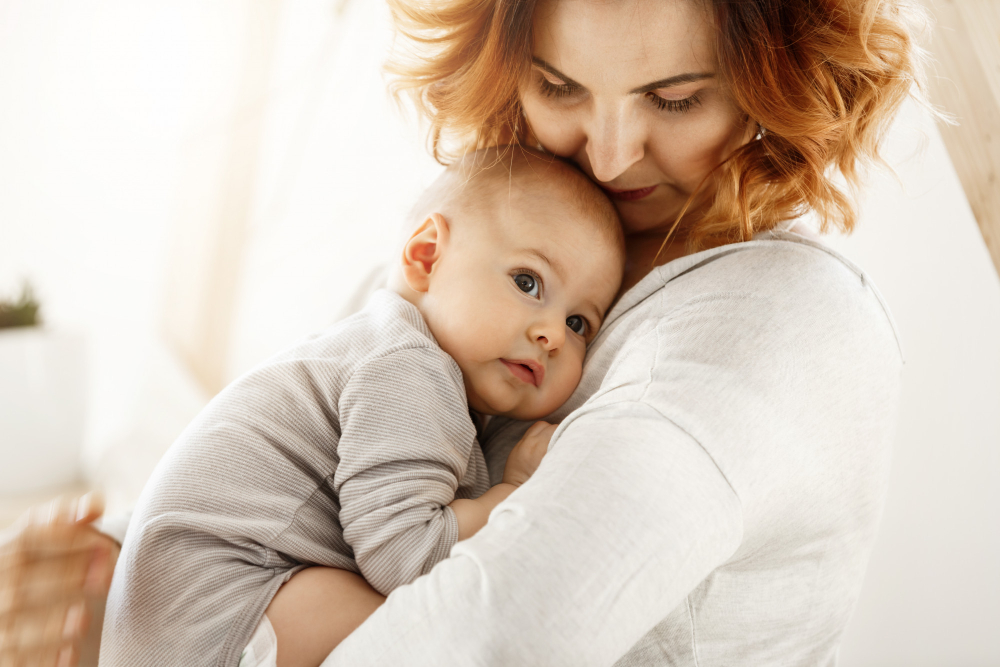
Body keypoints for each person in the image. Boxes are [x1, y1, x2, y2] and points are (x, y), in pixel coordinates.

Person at [0, 0, 926, 665]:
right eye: (560, 86)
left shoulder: (774, 323)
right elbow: (303, 446)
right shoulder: (467, 249)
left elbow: (488, 636)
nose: (607, 154)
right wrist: (115, 561)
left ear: (777, 78)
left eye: (675, 99)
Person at [97, 147, 625, 667]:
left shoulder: (375, 342)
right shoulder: (410, 368)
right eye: (527, 282)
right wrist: (511, 495)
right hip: (213, 622)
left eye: (580, 323)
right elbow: (406, 557)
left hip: (161, 624)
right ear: (427, 257)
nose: (553, 334)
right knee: (438, 627)